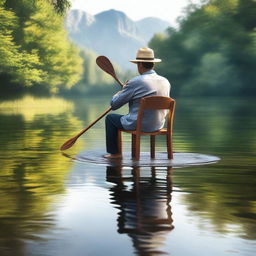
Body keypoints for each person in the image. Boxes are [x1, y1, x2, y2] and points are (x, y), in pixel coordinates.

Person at [104, 47, 171, 159]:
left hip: (139, 125)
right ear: (152, 64)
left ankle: (114, 154)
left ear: (140, 64)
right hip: (158, 124)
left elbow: (114, 105)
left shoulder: (135, 82)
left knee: (110, 118)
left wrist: (121, 91)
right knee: (124, 117)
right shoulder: (165, 81)